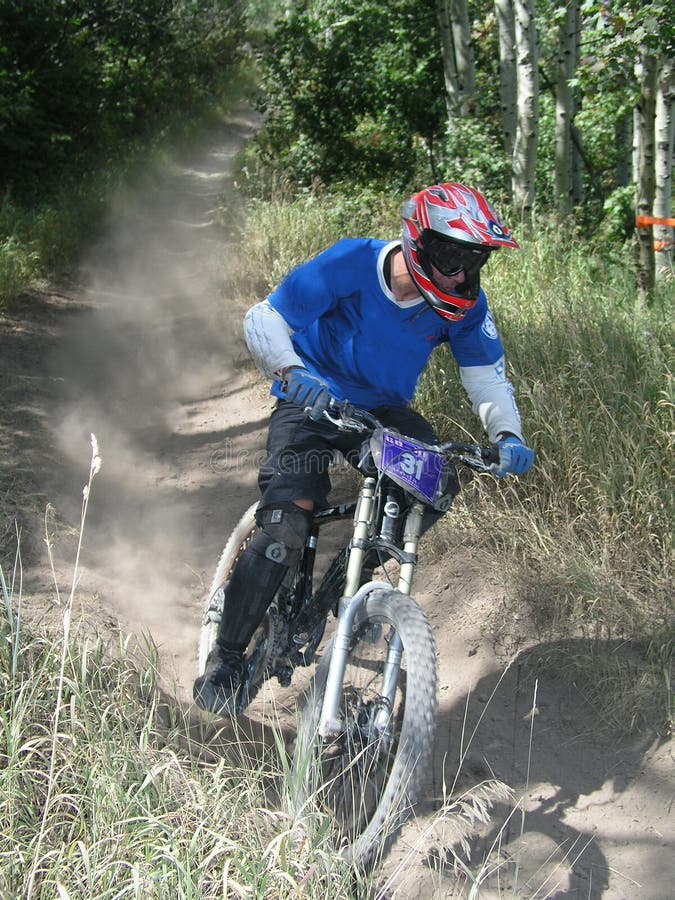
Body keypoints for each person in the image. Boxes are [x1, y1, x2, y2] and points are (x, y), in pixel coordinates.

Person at [193, 182, 534, 716]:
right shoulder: (352, 261)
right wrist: (291, 371)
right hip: (310, 400)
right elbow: (264, 317)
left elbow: (486, 375)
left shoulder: (462, 307)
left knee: (436, 481)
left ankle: (348, 580)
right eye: (452, 256)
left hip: (380, 414)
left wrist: (506, 437)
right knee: (285, 522)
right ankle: (228, 659)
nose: (462, 273)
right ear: (417, 242)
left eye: (474, 261)